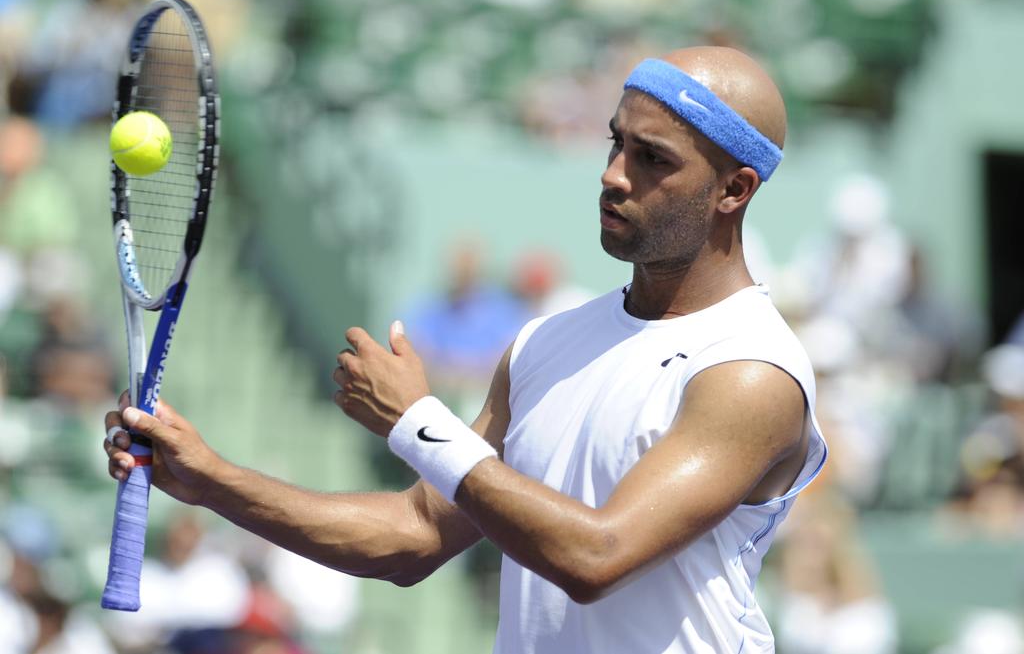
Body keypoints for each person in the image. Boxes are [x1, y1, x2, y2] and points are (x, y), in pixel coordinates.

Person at [102, 46, 826, 653]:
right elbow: (414, 534)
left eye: (652, 158)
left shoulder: (751, 371)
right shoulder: (545, 341)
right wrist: (211, 479)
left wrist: (418, 420)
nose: (613, 173)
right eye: (616, 142)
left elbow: (597, 556)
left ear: (734, 190)